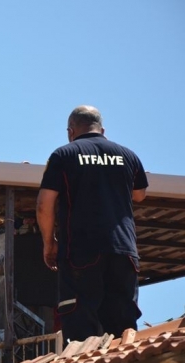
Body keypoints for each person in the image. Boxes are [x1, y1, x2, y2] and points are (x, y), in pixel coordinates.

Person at [36, 105, 148, 342]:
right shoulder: (128, 155)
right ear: (102, 130)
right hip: (123, 251)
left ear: (70, 131)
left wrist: (49, 242)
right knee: (123, 328)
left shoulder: (63, 155)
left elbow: (44, 205)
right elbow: (139, 195)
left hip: (81, 251)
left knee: (80, 326)